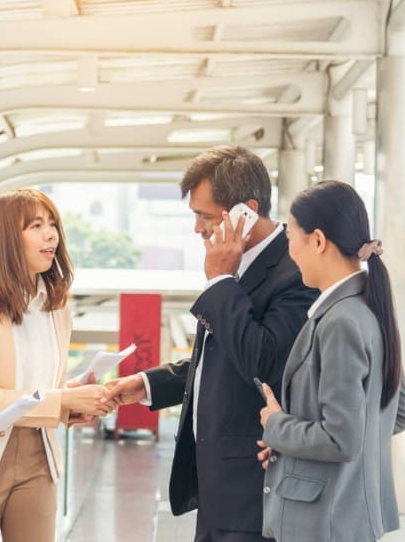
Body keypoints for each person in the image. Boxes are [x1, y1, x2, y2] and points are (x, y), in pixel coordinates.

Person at [105, 146, 318, 541]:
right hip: (216, 486)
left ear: (246, 210)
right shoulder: (237, 263)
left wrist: (220, 282)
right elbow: (219, 361)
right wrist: (149, 385)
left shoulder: (293, 272)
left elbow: (265, 362)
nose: (198, 229)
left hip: (253, 491)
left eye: (205, 216)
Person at [0, 188, 115, 542]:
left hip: (41, 455)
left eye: (52, 224)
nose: (51, 234)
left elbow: (41, 387)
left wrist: (71, 395)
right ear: (8, 237)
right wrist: (63, 402)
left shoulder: (56, 304)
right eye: (36, 225)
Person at [257, 180, 405, 542]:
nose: (290, 252)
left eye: (291, 238)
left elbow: (341, 438)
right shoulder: (369, 309)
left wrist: (276, 425)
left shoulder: (340, 322)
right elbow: (397, 412)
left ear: (317, 241)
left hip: (323, 523)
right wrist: (290, 445)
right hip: (349, 518)